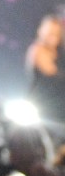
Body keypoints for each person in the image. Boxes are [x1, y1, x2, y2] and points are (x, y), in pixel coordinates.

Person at [24, 13, 65, 142]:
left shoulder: (59, 55)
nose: (54, 35)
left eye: (57, 32)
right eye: (50, 31)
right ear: (41, 31)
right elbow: (51, 75)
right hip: (45, 107)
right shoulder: (38, 49)